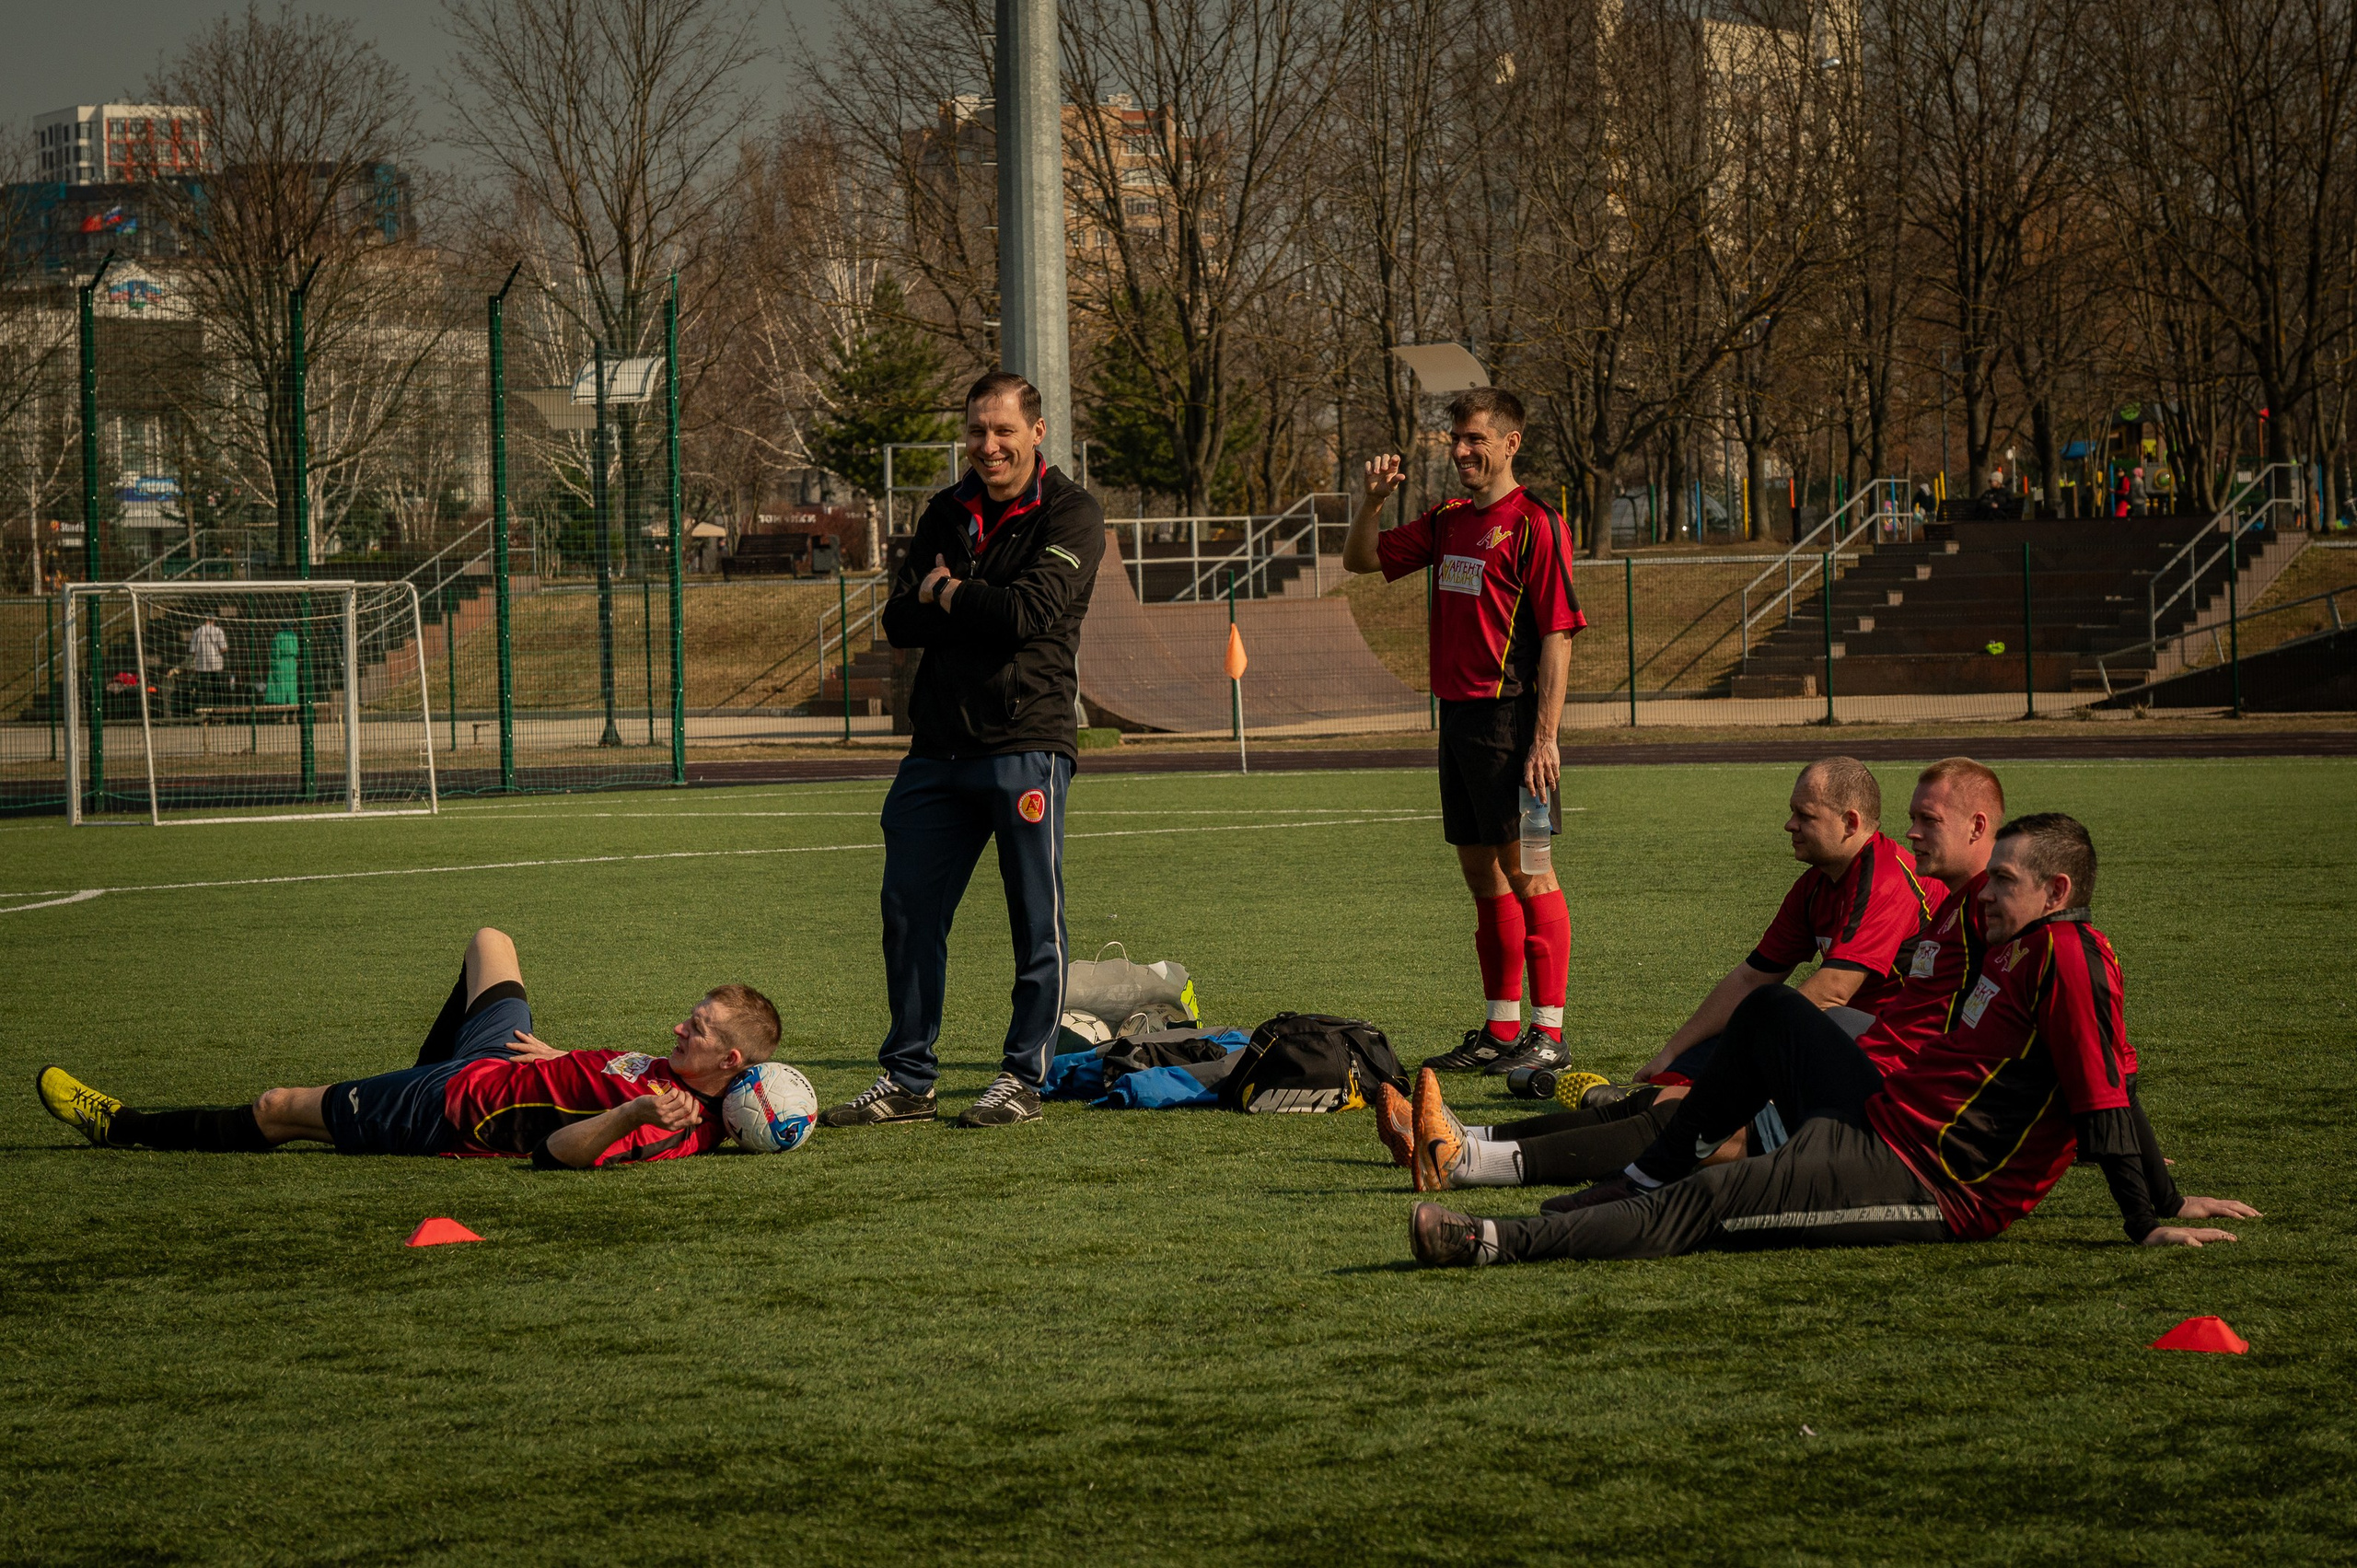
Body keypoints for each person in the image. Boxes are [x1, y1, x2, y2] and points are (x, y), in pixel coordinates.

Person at [1408, 813, 2261, 1266]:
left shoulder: (2069, 955)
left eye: (2008, 878)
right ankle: (1629, 1175)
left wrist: (2149, 1214)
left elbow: (2108, 1091)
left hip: (1933, 1180)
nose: (1989, 890)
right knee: (1773, 1016)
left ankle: (1494, 1239)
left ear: (2057, 888)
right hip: (1884, 1114)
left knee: (1717, 1197)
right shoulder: (2020, 945)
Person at [1395, 759, 2004, 1194]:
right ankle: (1468, 1135)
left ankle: (1472, 1157)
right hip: (1840, 1048)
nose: (1789, 825)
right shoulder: (1822, 884)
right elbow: (1750, 979)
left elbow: (1830, 994)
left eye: (1804, 815)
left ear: (1848, 821)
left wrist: (1734, 1062)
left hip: (1856, 1072)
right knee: (1659, 1097)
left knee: (1682, 1118)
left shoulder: (1888, 880)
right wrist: (1675, 1049)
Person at [819, 371, 1106, 1131]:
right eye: (977, 431)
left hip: (1026, 743)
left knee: (1033, 919)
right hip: (936, 749)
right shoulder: (945, 510)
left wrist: (947, 594)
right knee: (907, 913)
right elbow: (898, 621)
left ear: (1036, 432)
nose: (988, 445)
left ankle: (1021, 1077)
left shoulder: (1073, 514)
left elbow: (1028, 614)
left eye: (1003, 430)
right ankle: (909, 1076)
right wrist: (950, 603)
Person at [35, 928, 781, 1169]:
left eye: (699, 1027)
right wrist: (560, 1055)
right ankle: (424, 1065)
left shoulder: (668, 1120)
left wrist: (629, 1112)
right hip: (500, 1059)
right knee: (491, 943)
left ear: (730, 1065)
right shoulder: (684, 1075)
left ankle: (119, 1124)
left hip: (454, 1107)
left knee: (276, 1108)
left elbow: (555, 1153)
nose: (681, 1028)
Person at [1339, 388, 1586, 1078]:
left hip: (1512, 720)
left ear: (1511, 443)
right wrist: (1372, 503)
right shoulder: (1447, 521)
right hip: (1458, 720)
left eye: (1475, 438)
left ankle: (1549, 1034)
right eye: (1455, 439)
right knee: (1483, 876)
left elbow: (1560, 636)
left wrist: (1546, 737)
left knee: (1531, 874)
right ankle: (1502, 1030)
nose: (1461, 451)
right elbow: (1361, 561)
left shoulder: (1537, 522)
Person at [185, 611, 228, 708]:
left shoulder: (197, 631)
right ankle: (218, 713)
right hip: (216, 665)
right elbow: (224, 648)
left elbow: (192, 651)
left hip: (202, 665)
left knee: (204, 690)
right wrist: (215, 652)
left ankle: (204, 714)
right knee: (217, 689)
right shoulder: (218, 631)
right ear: (213, 620)